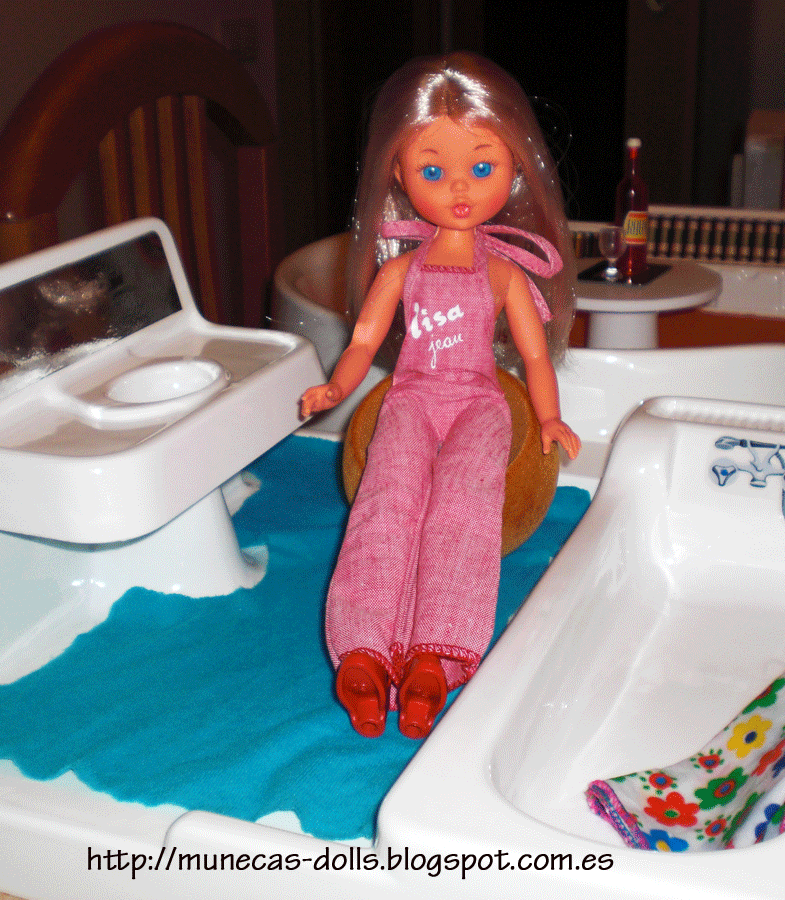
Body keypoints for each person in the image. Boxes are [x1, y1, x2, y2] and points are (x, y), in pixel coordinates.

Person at [300, 52, 580, 739]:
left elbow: (534, 354)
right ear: (397, 173)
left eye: (482, 168)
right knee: (387, 500)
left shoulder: (505, 273)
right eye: (433, 171)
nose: (458, 187)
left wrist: (548, 415)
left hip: (479, 403)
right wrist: (338, 384)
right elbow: (364, 341)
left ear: (516, 168)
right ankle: (363, 651)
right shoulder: (401, 269)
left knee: (463, 510)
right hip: (412, 397)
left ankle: (438, 654)